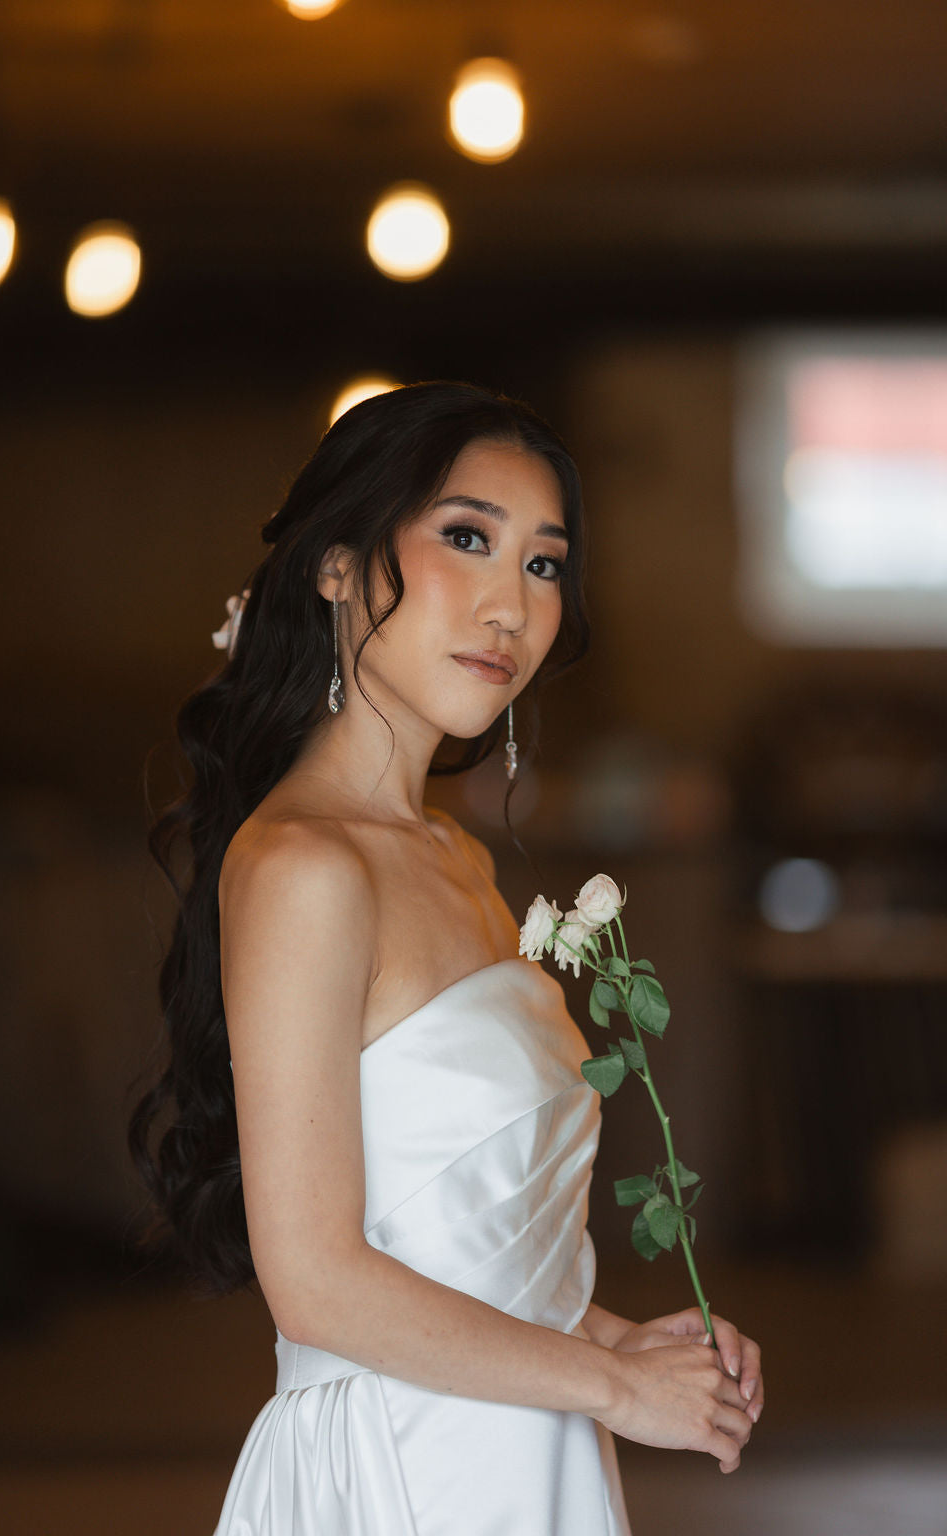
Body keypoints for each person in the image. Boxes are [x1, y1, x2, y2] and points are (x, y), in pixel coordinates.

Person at [129, 380, 763, 1535]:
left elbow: (464, 1247)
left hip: (524, 1442)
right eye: (466, 537)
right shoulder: (303, 867)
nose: (509, 605)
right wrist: (616, 1388)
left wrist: (626, 1340)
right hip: (400, 1463)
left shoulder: (457, 859)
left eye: (542, 563)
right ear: (336, 564)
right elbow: (316, 1279)